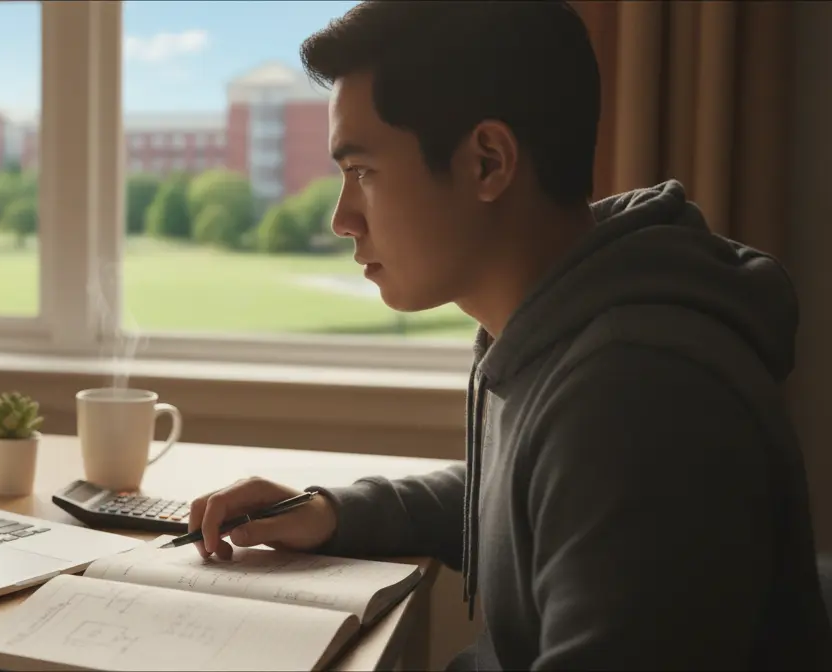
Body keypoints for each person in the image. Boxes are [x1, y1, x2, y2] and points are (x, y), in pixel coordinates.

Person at [186, 1, 832, 669]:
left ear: (488, 161)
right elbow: (523, 495)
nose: (342, 218)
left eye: (363, 172)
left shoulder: (638, 400)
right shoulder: (568, 325)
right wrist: (334, 512)